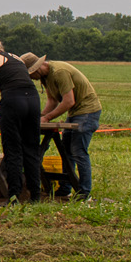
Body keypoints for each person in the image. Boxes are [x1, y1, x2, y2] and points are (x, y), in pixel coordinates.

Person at [24, 53, 102, 201]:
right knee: (66, 152)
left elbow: (68, 101)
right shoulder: (45, 78)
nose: (31, 78)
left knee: (78, 152)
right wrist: (39, 117)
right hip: (75, 112)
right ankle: (65, 188)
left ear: (37, 68)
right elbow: (52, 100)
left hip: (87, 111)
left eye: (31, 74)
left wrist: (47, 118)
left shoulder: (59, 72)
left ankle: (84, 192)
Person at [0, 34, 42, 203]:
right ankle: (35, 196)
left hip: (12, 100)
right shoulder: (16, 57)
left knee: (13, 149)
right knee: (31, 148)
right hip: (33, 99)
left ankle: (14, 196)